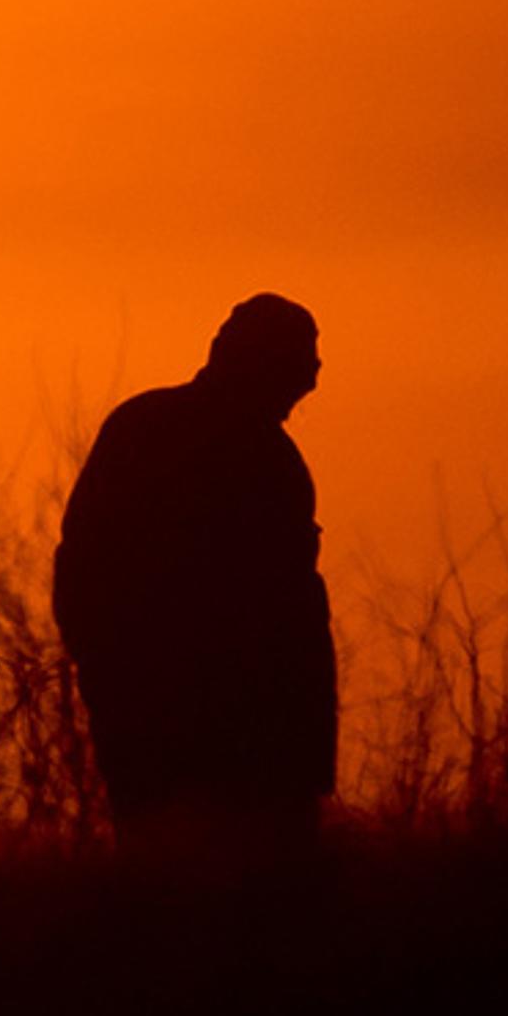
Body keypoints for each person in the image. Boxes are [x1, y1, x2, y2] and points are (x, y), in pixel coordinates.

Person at [52, 294, 337, 842]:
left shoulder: (256, 454)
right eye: (300, 362)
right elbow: (86, 563)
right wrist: (110, 675)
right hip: (213, 730)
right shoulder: (244, 454)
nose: (313, 379)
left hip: (231, 730)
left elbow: (292, 610)